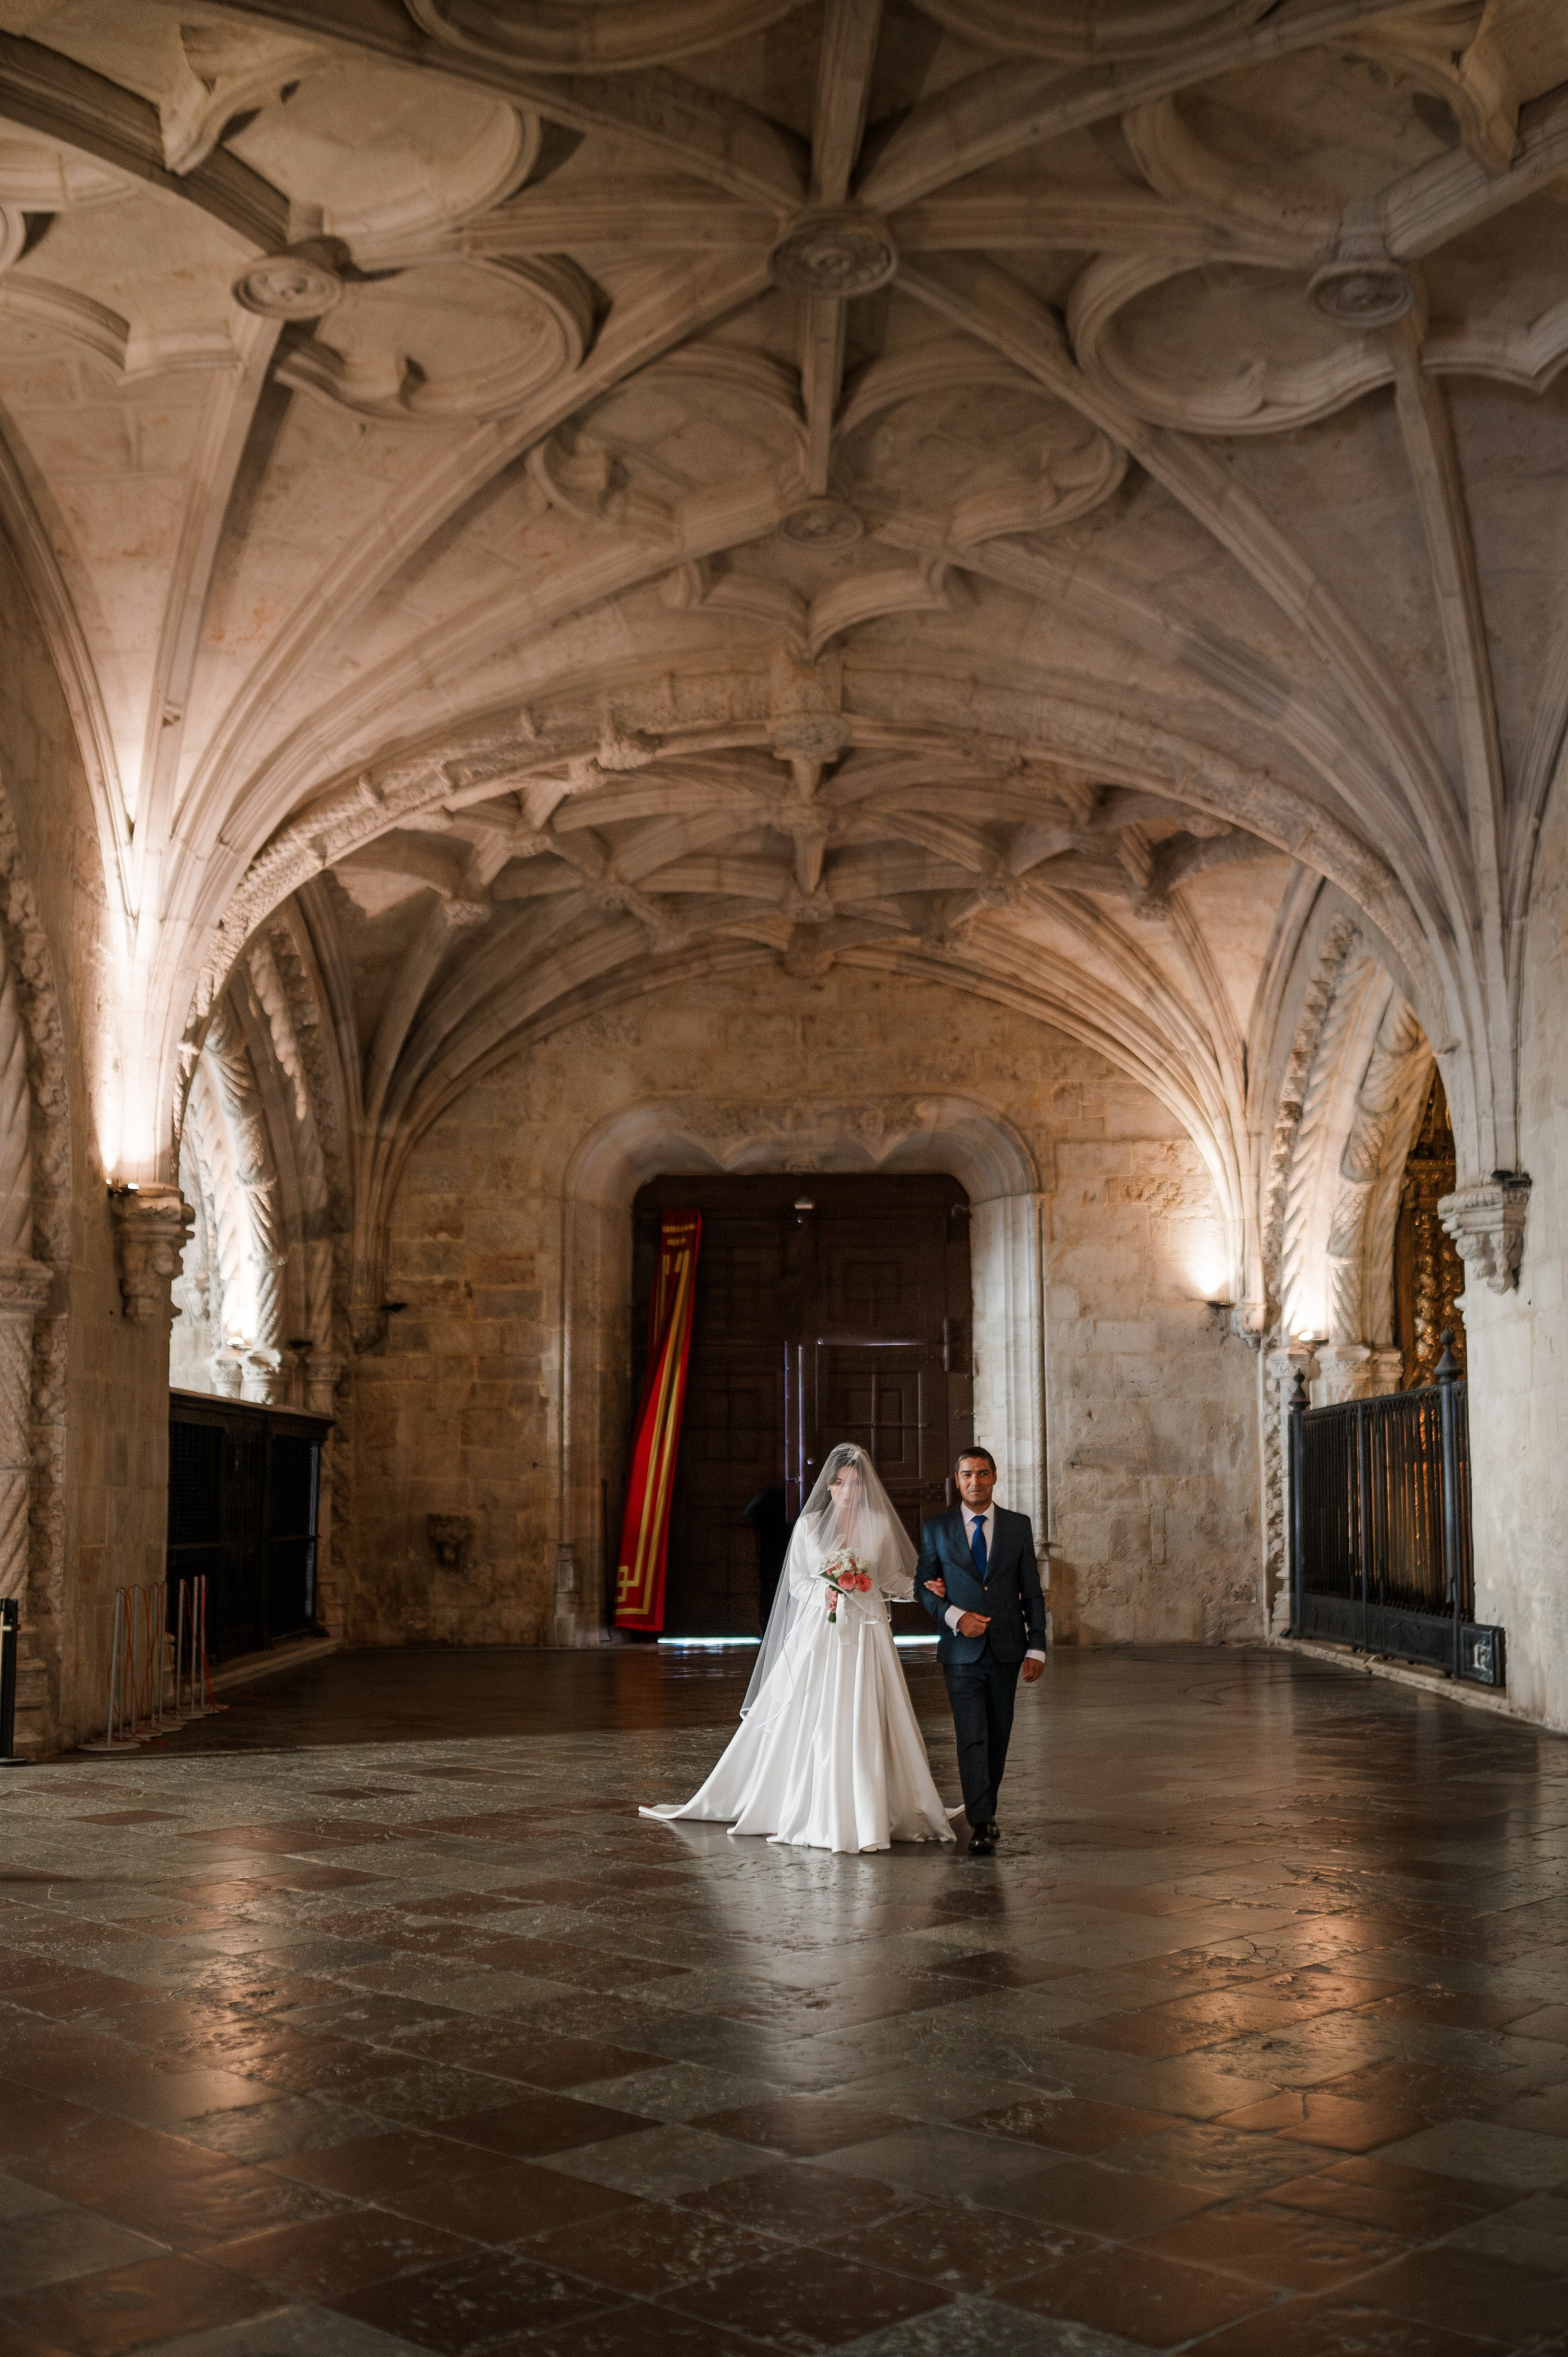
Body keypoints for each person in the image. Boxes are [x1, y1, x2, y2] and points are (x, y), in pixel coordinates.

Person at [641, 1442, 956, 1853]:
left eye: (857, 1484)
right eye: (842, 1484)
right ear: (830, 1487)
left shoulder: (878, 1525)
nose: (850, 1491)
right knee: (815, 1710)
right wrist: (830, 1591)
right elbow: (797, 1583)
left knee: (864, 1708)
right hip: (821, 1629)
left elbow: (891, 1578)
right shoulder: (809, 1527)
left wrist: (920, 1589)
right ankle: (809, 1801)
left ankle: (873, 1802)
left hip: (865, 1632)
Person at [918, 1447, 1046, 1857]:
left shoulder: (1017, 1526)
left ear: (995, 1478)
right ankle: (982, 1820)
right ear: (957, 1480)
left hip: (1007, 1648)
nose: (976, 1481)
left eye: (983, 1473)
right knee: (972, 1734)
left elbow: (1032, 1590)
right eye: (968, 1474)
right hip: (960, 1651)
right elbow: (925, 1586)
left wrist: (1037, 1645)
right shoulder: (937, 1528)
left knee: (998, 1734)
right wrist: (955, 1616)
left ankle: (985, 1807)